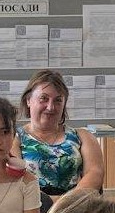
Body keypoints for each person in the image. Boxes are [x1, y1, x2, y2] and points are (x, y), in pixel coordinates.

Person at [13, 69, 104, 197]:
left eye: (58, 100)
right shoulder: (14, 139)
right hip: (32, 205)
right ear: (28, 100)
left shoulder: (83, 137)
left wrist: (65, 203)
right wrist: (49, 203)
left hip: (75, 205)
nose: (50, 107)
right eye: (43, 98)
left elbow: (95, 174)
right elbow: (16, 181)